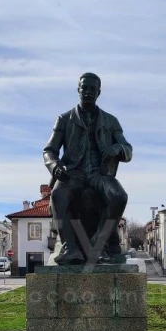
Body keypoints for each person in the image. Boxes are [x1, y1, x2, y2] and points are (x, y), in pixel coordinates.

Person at [43, 73, 132, 264]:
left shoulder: (111, 121)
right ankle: (70, 248)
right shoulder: (64, 119)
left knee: (119, 196)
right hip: (73, 173)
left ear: (99, 92)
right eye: (85, 88)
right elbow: (49, 151)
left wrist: (118, 148)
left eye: (93, 89)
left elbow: (128, 150)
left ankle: (98, 245)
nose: (88, 92)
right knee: (58, 195)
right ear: (78, 90)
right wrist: (55, 165)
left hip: (100, 173)